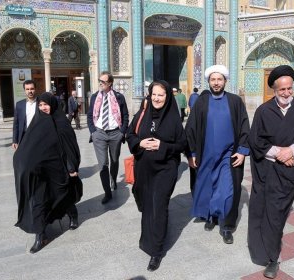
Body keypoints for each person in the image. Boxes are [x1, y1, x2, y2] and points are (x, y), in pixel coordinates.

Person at [247, 65, 294, 279]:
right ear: (274, 90)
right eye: (282, 90)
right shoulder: (263, 111)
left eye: (290, 88)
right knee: (269, 214)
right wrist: (278, 153)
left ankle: (272, 254)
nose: (287, 93)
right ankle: (271, 258)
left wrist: (293, 152)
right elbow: (255, 140)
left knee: (278, 214)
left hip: (292, 171)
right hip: (269, 171)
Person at [185, 65, 250, 244]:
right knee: (209, 188)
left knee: (228, 190)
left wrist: (243, 151)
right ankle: (211, 217)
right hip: (206, 155)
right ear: (209, 81)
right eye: (213, 79)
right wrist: (192, 152)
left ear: (225, 81)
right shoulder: (201, 102)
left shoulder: (235, 101)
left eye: (219, 79)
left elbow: (245, 125)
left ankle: (227, 226)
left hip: (228, 156)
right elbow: (190, 127)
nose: (216, 83)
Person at [126, 80, 186, 272]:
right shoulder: (143, 114)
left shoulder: (173, 119)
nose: (157, 98)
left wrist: (163, 146)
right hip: (144, 168)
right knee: (147, 205)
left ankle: (157, 251)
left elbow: (182, 145)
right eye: (154, 94)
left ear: (167, 97)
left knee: (158, 206)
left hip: (165, 169)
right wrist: (140, 143)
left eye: (161, 95)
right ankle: (147, 240)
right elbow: (130, 134)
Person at [13, 92, 82, 254]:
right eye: (40, 105)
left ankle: (73, 215)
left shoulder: (61, 123)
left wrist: (72, 167)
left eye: (46, 104)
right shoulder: (36, 123)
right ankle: (40, 236)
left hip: (60, 170)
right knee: (38, 202)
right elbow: (27, 146)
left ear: (53, 104)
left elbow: (70, 147)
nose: (43, 107)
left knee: (63, 196)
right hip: (40, 173)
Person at [87, 71, 129, 204]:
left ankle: (113, 180)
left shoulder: (119, 97)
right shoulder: (94, 97)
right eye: (100, 80)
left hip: (115, 133)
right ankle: (107, 192)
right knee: (103, 164)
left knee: (114, 160)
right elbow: (89, 115)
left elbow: (125, 115)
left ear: (110, 83)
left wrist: (122, 132)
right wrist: (93, 131)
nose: (100, 83)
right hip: (99, 133)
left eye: (103, 82)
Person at [12, 80, 37, 150]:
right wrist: (15, 140)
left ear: (35, 89)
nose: (30, 91)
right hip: (24, 136)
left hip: (38, 136)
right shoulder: (19, 105)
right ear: (24, 90)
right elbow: (16, 124)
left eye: (32, 89)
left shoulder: (41, 103)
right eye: (27, 89)